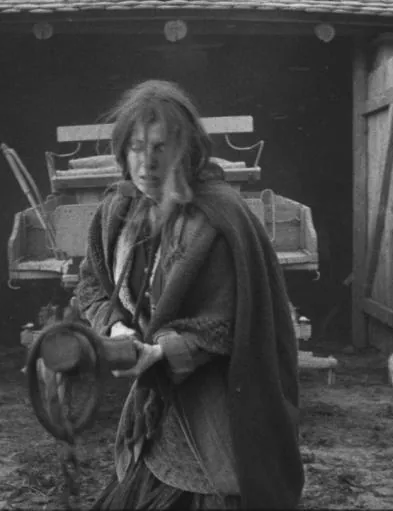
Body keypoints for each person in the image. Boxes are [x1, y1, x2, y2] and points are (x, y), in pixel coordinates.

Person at [74, 79, 304, 510]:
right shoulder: (115, 213)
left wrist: (164, 350)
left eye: (160, 147)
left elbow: (232, 321)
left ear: (187, 150)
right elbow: (91, 284)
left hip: (214, 399)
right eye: (136, 147)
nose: (147, 163)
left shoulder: (220, 217)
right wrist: (116, 327)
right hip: (153, 402)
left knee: (215, 487)